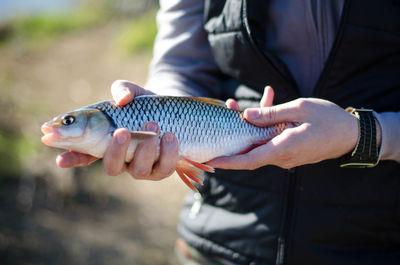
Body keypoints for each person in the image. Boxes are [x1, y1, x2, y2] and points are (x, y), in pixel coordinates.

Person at [56, 0, 400, 264]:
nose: (62, 126)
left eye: (69, 121)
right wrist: (161, 102)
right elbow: (180, 62)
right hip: (219, 239)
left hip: (377, 244)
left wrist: (366, 133)